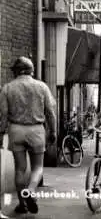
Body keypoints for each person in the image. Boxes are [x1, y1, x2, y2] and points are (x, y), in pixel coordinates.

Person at [0, 57, 57, 214]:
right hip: (36, 130)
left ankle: (22, 205)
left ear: (16, 71)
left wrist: (1, 133)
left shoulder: (7, 88)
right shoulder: (42, 87)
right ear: (31, 70)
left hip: (16, 130)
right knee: (38, 167)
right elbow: (51, 112)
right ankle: (30, 191)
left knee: (20, 169)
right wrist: (53, 131)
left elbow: (3, 114)